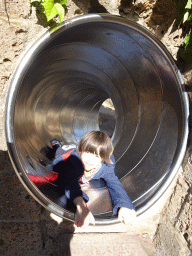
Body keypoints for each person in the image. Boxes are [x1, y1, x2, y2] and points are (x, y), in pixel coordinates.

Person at [49, 131, 136, 228]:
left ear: (103, 158)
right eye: (87, 152)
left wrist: (125, 205)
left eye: (96, 156)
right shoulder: (74, 162)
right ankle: (56, 145)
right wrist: (81, 206)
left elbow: (114, 183)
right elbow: (70, 183)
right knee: (59, 151)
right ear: (81, 150)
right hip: (67, 152)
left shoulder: (106, 167)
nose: (90, 159)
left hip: (77, 150)